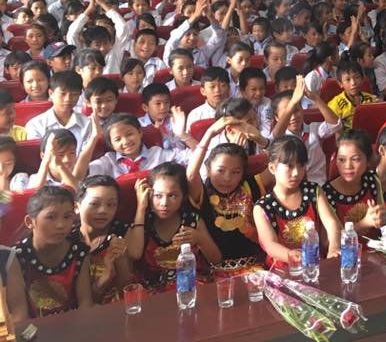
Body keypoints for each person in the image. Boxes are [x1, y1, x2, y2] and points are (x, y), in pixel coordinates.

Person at [187, 121, 270, 277]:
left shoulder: (250, 186)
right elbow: (191, 176)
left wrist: (262, 140)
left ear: (242, 173)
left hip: (255, 269)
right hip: (217, 273)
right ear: (208, 170)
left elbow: (281, 163)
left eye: (235, 172)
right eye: (220, 170)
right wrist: (209, 134)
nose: (227, 178)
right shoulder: (202, 194)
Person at [254, 136, 341, 270]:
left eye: (301, 166)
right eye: (289, 166)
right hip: (282, 271)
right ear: (272, 168)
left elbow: (331, 222)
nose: (296, 173)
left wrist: (334, 246)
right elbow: (270, 245)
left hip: (316, 266)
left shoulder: (313, 191)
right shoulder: (262, 207)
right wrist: (292, 255)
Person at [134, 162, 221, 290]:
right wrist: (141, 207)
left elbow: (216, 260)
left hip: (193, 287)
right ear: (149, 194)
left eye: (172, 195)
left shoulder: (192, 220)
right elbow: (134, 254)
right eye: (158, 195)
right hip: (154, 291)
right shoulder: (144, 221)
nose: (164, 203)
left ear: (183, 197)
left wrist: (200, 239)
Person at [15, 186, 94, 317]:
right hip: (32, 327)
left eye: (67, 217)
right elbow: (19, 312)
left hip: (73, 323)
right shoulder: (17, 256)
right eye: (51, 217)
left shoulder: (78, 252)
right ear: (30, 222)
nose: (60, 225)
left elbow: (85, 303)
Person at [72, 176, 134, 304]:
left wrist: (121, 261)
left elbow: (127, 290)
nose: (103, 211)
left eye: (110, 205)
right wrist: (105, 277)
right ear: (77, 207)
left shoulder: (121, 234)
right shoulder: (67, 240)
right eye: (94, 204)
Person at [322, 130, 386, 232]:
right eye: (341, 160)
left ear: (368, 160)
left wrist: (380, 216)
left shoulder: (372, 181)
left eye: (355, 159)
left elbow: (383, 221)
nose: (348, 166)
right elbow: (330, 238)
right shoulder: (326, 193)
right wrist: (364, 223)